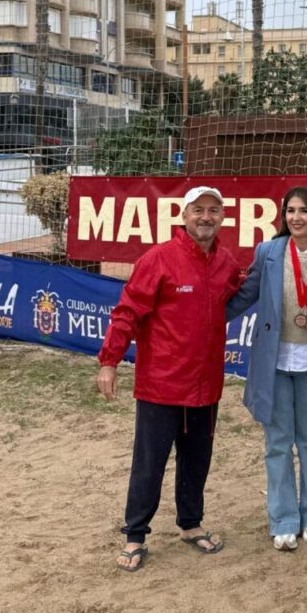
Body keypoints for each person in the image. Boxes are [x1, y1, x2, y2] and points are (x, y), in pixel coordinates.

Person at [97, 186, 244, 572]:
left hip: (206, 385)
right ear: (184, 215)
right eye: (199, 210)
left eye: (214, 210)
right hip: (161, 385)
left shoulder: (227, 262)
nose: (206, 217)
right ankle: (135, 535)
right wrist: (109, 361)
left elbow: (240, 292)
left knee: (197, 460)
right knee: (150, 463)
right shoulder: (158, 259)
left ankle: (190, 524)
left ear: (223, 217)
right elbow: (127, 311)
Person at [226, 187, 307, 551]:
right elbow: (246, 294)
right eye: (290, 211)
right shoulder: (269, 252)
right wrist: (207, 317)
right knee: (277, 443)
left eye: (304, 211)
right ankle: (282, 519)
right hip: (274, 363)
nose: (296, 217)